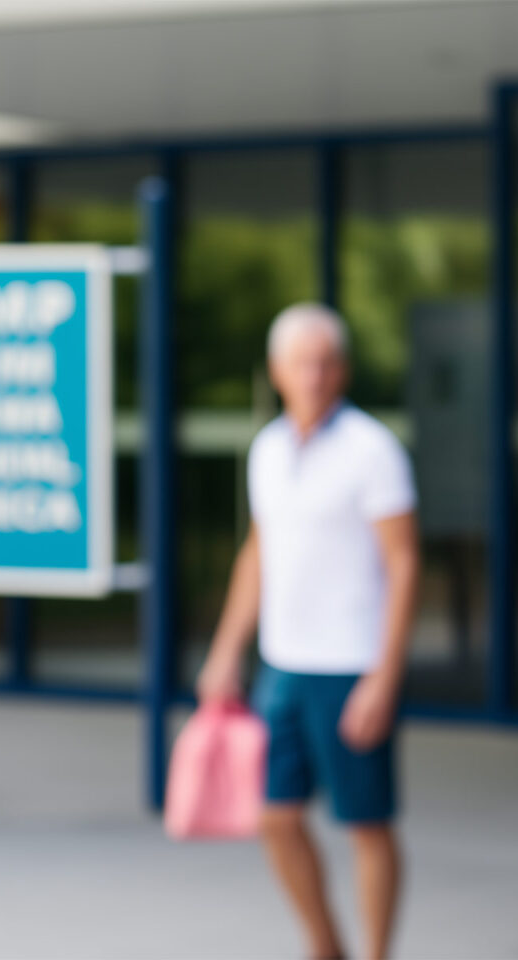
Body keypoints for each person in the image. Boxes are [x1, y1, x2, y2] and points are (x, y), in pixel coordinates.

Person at [197, 302, 420, 960]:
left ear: (342, 370)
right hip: (283, 667)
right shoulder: (266, 450)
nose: (315, 375)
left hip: (351, 665)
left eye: (326, 362)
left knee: (366, 825)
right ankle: (325, 947)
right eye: (302, 363)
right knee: (274, 818)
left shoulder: (372, 450)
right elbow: (257, 554)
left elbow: (404, 564)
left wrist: (385, 675)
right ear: (277, 370)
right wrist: (224, 651)